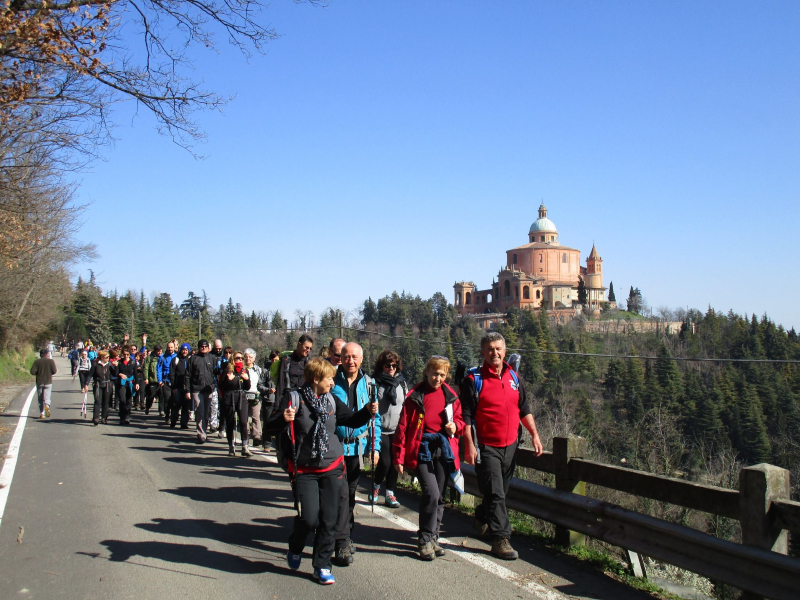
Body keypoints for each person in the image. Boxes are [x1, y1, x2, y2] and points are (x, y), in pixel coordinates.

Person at [265, 357, 378, 585]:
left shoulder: (332, 401)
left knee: (330, 519)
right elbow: (270, 425)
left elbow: (353, 420)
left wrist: (367, 410)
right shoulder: (294, 399)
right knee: (309, 519)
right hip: (305, 470)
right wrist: (283, 418)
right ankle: (296, 546)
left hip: (332, 467)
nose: (332, 384)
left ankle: (322, 566)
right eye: (329, 379)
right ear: (316, 379)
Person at [460, 332, 544, 560]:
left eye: (498, 349)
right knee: (496, 493)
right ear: (482, 352)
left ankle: (480, 516)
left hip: (510, 445)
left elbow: (524, 409)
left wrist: (535, 435)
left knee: (499, 492)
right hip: (486, 446)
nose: (494, 353)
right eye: (489, 349)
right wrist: (469, 445)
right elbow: (465, 416)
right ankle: (501, 539)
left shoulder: (513, 377)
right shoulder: (473, 380)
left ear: (504, 351)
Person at [393, 356, 465, 560]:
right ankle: (424, 539)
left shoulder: (450, 395)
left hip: (443, 448)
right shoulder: (415, 395)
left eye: (442, 375)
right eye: (435, 374)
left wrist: (456, 426)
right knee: (431, 493)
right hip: (421, 448)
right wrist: (399, 457)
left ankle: (434, 536)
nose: (438, 378)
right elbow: (403, 427)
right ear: (426, 372)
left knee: (440, 495)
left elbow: (460, 420)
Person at [330, 342, 381, 566]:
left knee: (349, 496)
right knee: (338, 495)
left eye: (354, 357)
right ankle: (341, 542)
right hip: (334, 447)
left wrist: (375, 446)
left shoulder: (370, 383)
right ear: (340, 358)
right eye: (346, 356)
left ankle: (345, 535)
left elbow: (375, 419)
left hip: (357, 449)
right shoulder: (330, 381)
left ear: (362, 359)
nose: (350, 361)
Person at [369, 350, 408, 508]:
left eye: (394, 365)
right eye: (387, 365)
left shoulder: (402, 383)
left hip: (397, 429)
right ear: (381, 366)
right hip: (381, 428)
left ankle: (390, 493)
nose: (391, 368)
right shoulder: (375, 382)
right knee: (385, 462)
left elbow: (405, 404)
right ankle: (376, 486)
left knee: (395, 463)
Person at [219, 351, 252, 457]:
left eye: (242, 358)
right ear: (233, 359)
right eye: (238, 358)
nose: (241, 360)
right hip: (229, 398)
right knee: (230, 423)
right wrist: (229, 381)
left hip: (241, 397)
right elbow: (221, 386)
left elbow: (247, 387)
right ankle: (231, 447)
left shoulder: (244, 370)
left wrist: (246, 379)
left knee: (243, 422)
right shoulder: (228, 370)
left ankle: (244, 447)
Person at [185, 339, 217, 443]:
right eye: (201, 346)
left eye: (205, 346)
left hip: (208, 389)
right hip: (196, 389)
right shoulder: (193, 359)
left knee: (207, 411)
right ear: (199, 347)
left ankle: (205, 431)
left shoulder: (212, 358)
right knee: (200, 410)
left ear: (208, 347)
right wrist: (187, 390)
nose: (203, 348)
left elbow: (216, 373)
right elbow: (188, 376)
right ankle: (201, 433)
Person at [276, 335, 313, 400]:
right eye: (306, 347)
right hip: (288, 397)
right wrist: (277, 405)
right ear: (299, 344)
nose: (308, 350)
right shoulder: (286, 360)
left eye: (310, 348)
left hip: (304, 398)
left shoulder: (309, 362)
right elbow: (280, 383)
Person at [84, 350, 113, 425]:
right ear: (102, 358)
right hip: (98, 385)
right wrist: (86, 384)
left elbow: (115, 374)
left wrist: (115, 367)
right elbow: (90, 375)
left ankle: (104, 417)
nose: (108, 358)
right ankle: (96, 418)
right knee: (97, 401)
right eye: (106, 357)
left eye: (108, 357)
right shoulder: (95, 364)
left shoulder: (109, 365)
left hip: (107, 385)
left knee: (106, 402)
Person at [30, 348, 58, 419]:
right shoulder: (51, 361)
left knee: (40, 398)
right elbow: (54, 371)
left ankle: (42, 413)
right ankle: (47, 406)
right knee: (47, 397)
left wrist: (38, 373)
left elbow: (32, 372)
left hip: (40, 381)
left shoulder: (37, 361)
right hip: (48, 381)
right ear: (46, 354)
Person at [243, 348, 263, 447]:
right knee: (245, 417)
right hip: (244, 395)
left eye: (250, 357)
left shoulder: (259, 370)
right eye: (246, 357)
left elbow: (262, 382)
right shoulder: (242, 369)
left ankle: (257, 437)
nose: (248, 359)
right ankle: (245, 435)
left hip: (255, 395)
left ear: (254, 358)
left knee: (256, 417)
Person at [170, 343, 192, 429]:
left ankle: (184, 423)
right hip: (178, 386)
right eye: (183, 349)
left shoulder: (190, 360)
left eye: (186, 350)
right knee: (176, 405)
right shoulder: (175, 359)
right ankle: (173, 421)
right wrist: (174, 387)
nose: (184, 351)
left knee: (185, 406)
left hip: (187, 387)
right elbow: (172, 374)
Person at [116, 345, 139, 425]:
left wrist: (137, 383)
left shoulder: (132, 362)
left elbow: (135, 374)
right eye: (124, 354)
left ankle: (127, 416)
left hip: (130, 383)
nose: (126, 356)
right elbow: (116, 373)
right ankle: (122, 417)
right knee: (122, 400)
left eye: (127, 354)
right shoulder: (120, 362)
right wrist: (120, 374)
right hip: (122, 383)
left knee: (129, 400)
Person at [209, 340, 227, 435]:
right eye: (216, 348)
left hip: (223, 384)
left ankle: (222, 426)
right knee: (214, 404)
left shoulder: (224, 356)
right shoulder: (210, 356)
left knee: (223, 405)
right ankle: (213, 424)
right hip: (213, 383)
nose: (218, 350)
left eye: (220, 348)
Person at [158, 341, 178, 424]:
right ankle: (167, 416)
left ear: (174, 348)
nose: (170, 349)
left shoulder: (177, 357)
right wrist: (159, 380)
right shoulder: (162, 357)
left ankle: (173, 416)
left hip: (175, 381)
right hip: (166, 381)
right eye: (169, 347)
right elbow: (159, 369)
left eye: (171, 347)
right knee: (167, 399)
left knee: (174, 400)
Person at [143, 345, 161, 415]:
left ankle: (161, 410)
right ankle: (148, 406)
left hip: (160, 380)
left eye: (160, 351)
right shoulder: (149, 358)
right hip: (152, 380)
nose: (159, 353)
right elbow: (146, 368)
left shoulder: (162, 358)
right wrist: (146, 378)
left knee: (161, 396)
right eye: (158, 351)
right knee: (151, 395)